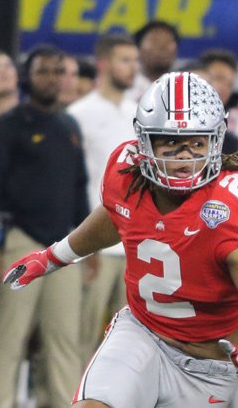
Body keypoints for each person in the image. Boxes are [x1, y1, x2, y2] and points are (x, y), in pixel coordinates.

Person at [1, 72, 238, 407]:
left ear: (215, 141)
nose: (184, 156)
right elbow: (117, 215)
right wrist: (54, 256)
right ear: (145, 142)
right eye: (170, 142)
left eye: (196, 142)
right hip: (141, 335)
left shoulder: (233, 207)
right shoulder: (126, 173)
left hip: (208, 368)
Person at [0, 44, 90, 408]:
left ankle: (62, 402)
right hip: (20, 240)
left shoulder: (69, 126)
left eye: (58, 71)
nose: (52, 78)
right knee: (9, 338)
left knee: (64, 340)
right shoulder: (7, 126)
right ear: (27, 77)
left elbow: (78, 187)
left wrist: (89, 246)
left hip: (65, 247)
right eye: (44, 71)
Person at [67, 33, 140, 361]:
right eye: (125, 60)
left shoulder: (140, 113)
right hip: (93, 241)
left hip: (135, 243)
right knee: (80, 338)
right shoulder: (78, 114)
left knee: (133, 341)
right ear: (103, 64)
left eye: (135, 61)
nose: (132, 68)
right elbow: (72, 183)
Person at [126, 20, 180, 101]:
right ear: (137, 48)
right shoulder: (124, 87)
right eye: (155, 42)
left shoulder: (186, 88)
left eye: (167, 43)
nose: (162, 48)